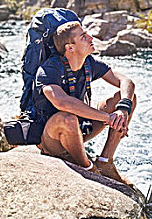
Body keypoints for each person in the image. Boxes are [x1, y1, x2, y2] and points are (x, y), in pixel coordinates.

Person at [33, 20, 136, 186]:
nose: (90, 37)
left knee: (127, 98)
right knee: (66, 118)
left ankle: (105, 161)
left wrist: (123, 110)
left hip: (80, 129)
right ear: (70, 47)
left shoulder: (89, 63)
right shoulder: (49, 69)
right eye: (83, 37)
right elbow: (62, 102)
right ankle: (88, 168)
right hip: (53, 139)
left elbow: (126, 81)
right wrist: (108, 117)